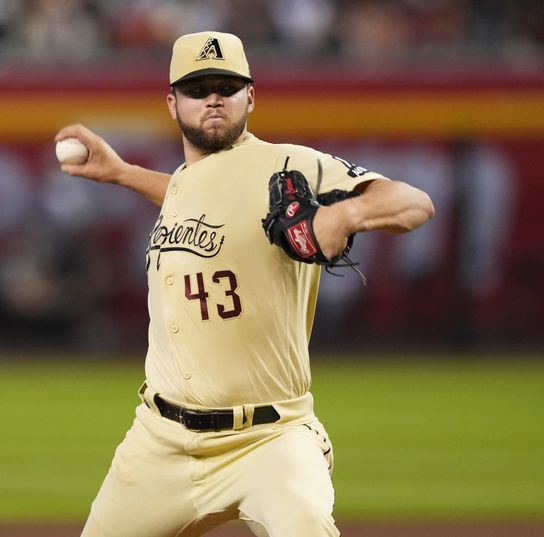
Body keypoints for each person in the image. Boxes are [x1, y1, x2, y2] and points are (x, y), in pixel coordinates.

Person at [55, 31, 434, 537]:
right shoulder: (187, 183)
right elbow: (197, 198)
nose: (213, 97)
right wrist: (123, 173)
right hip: (160, 440)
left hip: (269, 438)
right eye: (197, 88)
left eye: (226, 86)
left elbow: (415, 203)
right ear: (173, 104)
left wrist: (347, 214)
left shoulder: (287, 163)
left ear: (250, 97)